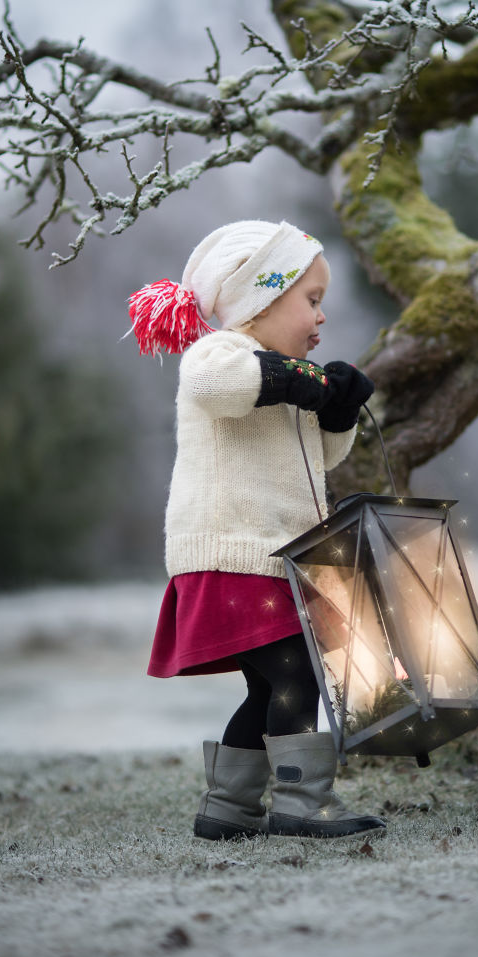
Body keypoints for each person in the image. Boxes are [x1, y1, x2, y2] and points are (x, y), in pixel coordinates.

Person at [128, 219, 386, 841]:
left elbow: (321, 457)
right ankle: (301, 802)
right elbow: (215, 386)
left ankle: (228, 808)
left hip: (269, 560)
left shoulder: (283, 369)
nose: (321, 317)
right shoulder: (223, 353)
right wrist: (292, 380)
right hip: (233, 553)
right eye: (312, 300)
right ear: (261, 300)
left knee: (270, 684)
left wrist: (337, 407)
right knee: (298, 671)